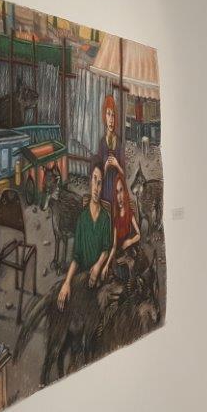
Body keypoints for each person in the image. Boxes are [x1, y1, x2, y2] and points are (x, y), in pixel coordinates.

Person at [59, 165, 112, 311]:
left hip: (99, 280)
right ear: (90, 182)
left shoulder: (105, 218)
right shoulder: (82, 219)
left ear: (102, 187)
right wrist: (67, 282)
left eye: (100, 183)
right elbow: (76, 257)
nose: (96, 187)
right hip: (83, 277)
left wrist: (98, 265)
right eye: (94, 180)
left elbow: (106, 249)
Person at [105, 172, 142, 283]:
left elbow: (139, 235)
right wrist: (106, 264)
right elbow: (114, 246)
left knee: (131, 267)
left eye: (121, 190)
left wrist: (130, 241)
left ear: (125, 192)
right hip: (120, 255)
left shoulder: (129, 213)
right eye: (117, 192)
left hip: (129, 253)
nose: (119, 196)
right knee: (117, 271)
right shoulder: (116, 219)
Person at [98, 94, 125, 208]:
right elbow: (98, 177)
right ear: (104, 116)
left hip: (117, 189)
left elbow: (124, 174)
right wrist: (105, 167)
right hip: (105, 190)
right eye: (108, 114)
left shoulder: (119, 142)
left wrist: (117, 164)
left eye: (113, 115)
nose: (111, 119)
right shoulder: (102, 143)